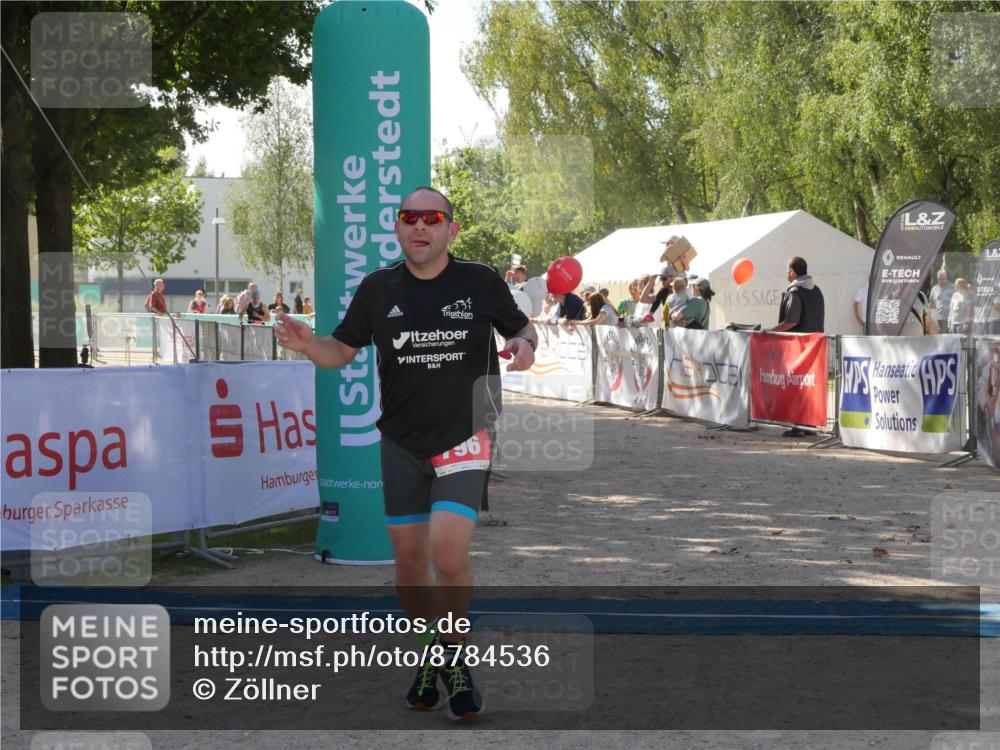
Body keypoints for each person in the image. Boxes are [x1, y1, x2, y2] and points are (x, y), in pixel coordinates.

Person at [274, 186, 536, 721]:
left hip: (465, 435)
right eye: (408, 218)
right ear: (397, 228)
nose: (420, 227)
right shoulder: (377, 288)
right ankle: (432, 656)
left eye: (432, 218)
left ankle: (454, 661)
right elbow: (340, 351)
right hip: (399, 443)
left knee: (446, 555)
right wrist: (308, 345)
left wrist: (526, 346)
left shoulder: (480, 281)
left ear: (450, 230)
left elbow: (522, 328)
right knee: (409, 567)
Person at [854, 281, 938, 335]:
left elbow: (929, 323)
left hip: (919, 347)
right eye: (901, 279)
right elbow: (880, 328)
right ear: (896, 281)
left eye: (908, 278)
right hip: (898, 349)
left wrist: (939, 342)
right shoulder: (889, 299)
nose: (904, 281)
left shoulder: (920, 296)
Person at [769, 257, 824, 334]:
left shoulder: (795, 292)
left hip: (799, 344)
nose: (787, 273)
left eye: (787, 270)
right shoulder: (817, 290)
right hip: (816, 342)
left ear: (792, 271)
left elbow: (791, 322)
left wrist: (770, 331)